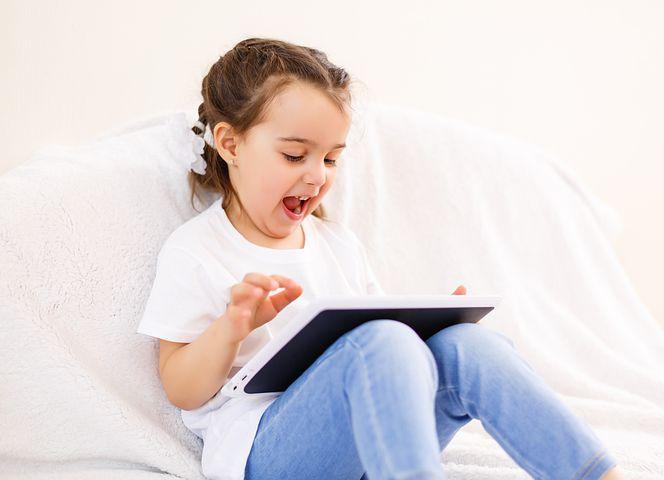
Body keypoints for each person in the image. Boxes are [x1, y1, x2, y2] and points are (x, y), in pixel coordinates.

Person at [136, 37, 625, 480]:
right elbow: (180, 388)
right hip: (267, 451)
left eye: (330, 159)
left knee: (466, 346)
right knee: (381, 340)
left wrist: (431, 325)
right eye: (294, 156)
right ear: (230, 143)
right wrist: (233, 325)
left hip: (372, 443)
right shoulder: (197, 250)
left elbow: (389, 355)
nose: (316, 176)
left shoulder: (337, 246)